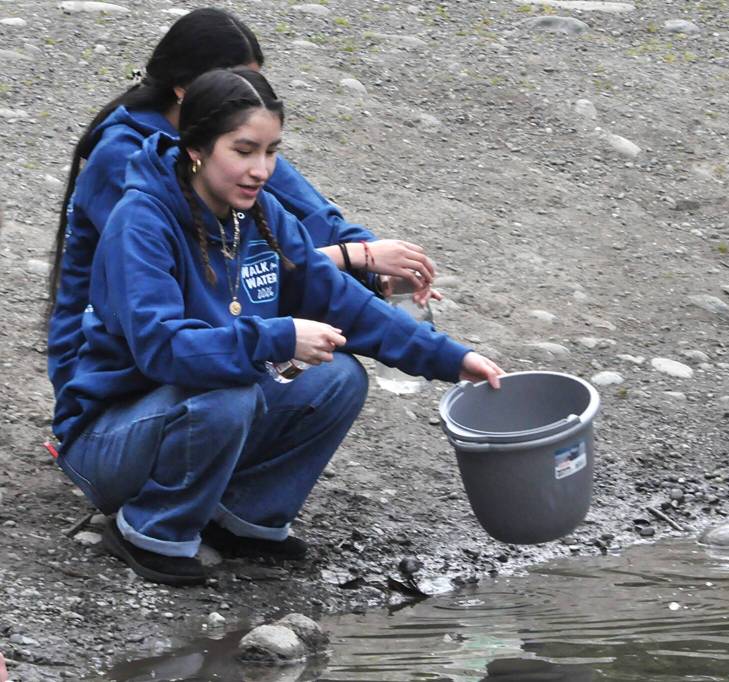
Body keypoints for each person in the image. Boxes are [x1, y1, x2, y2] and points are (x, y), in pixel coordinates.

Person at [51, 67, 504, 586]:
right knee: (229, 393)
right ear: (196, 145)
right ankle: (150, 527)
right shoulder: (142, 221)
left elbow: (344, 304)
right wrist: (280, 336)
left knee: (338, 378)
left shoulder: (259, 214)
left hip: (188, 411)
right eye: (243, 151)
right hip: (107, 438)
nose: (261, 169)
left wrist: (452, 358)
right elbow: (163, 350)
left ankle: (243, 519)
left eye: (271, 152)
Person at [47, 7, 438, 404]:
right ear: (184, 88)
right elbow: (206, 276)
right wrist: (357, 256)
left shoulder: (235, 143)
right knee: (231, 390)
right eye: (233, 80)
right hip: (122, 367)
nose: (245, 93)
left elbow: (315, 215)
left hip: (207, 334)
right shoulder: (126, 161)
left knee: (336, 376)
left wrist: (376, 274)